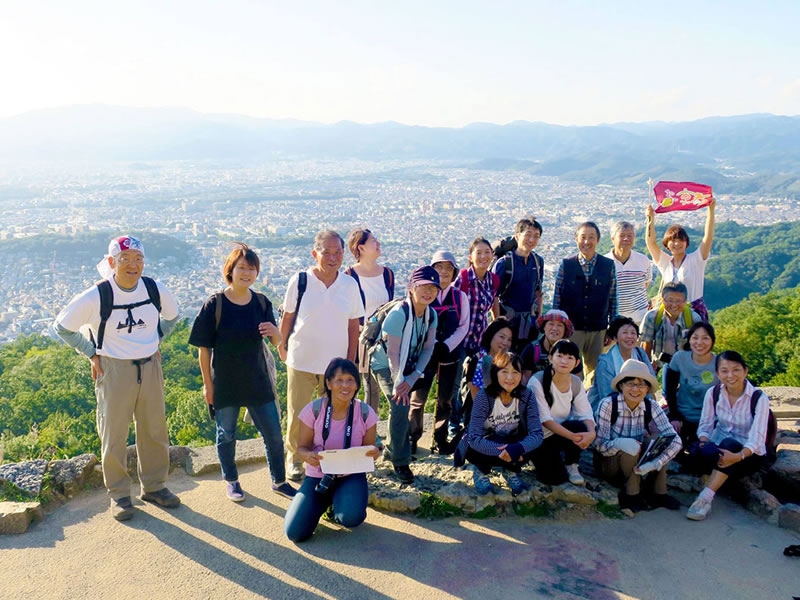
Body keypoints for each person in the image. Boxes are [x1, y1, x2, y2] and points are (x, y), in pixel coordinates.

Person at [53, 235, 181, 520]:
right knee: (114, 433)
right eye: (125, 259)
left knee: (154, 429)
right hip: (113, 367)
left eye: (138, 259)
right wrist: (91, 353)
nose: (133, 265)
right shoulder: (98, 295)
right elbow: (62, 326)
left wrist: (155, 337)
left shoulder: (153, 289)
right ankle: (120, 495)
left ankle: (155, 486)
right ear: (112, 263)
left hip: (149, 365)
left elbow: (173, 316)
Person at [189, 243, 296, 502]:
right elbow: (204, 349)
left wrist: (277, 333)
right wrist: (207, 385)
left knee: (272, 433)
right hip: (225, 381)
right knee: (226, 434)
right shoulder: (215, 304)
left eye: (251, 269)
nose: (246, 273)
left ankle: (279, 481)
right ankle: (232, 481)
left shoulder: (260, 302)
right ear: (230, 270)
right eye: (241, 268)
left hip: (258, 379)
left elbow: (275, 341)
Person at [279, 231, 364, 481]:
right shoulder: (301, 281)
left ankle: (326, 458)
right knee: (298, 413)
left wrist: (350, 361)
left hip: (335, 366)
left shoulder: (348, 284)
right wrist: (282, 346)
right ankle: (294, 459)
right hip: (302, 359)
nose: (333, 257)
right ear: (315, 253)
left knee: (331, 414)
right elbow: (288, 316)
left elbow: (353, 325)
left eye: (338, 252)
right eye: (326, 252)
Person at [284, 358, 381, 542]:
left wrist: (375, 452)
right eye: (339, 380)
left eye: (350, 380)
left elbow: (371, 449)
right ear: (328, 383)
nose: (345, 386)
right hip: (318, 476)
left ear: (357, 384)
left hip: (351, 475)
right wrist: (307, 456)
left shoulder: (366, 413)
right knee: (294, 532)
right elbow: (301, 448)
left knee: (350, 518)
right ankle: (325, 502)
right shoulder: (313, 410)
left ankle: (340, 502)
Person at [371, 266, 439, 483]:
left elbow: (428, 348)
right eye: (423, 287)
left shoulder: (431, 314)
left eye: (433, 288)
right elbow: (392, 353)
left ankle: (393, 448)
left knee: (399, 404)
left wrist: (411, 377)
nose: (428, 292)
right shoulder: (399, 314)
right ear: (411, 288)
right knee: (399, 403)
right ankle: (400, 461)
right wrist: (401, 381)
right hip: (383, 364)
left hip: (408, 366)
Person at [686, 351, 770, 521]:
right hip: (720, 447)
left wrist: (737, 456)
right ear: (717, 374)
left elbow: (757, 438)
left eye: (736, 370)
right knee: (698, 450)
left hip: (747, 455)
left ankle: (705, 498)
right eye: (724, 371)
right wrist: (704, 443)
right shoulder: (713, 393)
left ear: (745, 371)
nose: (730, 375)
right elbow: (706, 425)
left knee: (730, 444)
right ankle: (718, 475)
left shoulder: (758, 397)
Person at [595, 359, 682, 512]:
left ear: (647, 388)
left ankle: (659, 493)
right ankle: (632, 494)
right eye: (630, 383)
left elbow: (675, 440)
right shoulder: (608, 404)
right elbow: (599, 444)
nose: (635, 389)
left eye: (641, 384)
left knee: (658, 441)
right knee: (631, 448)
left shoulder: (652, 406)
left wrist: (657, 462)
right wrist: (618, 444)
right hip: (610, 463)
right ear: (621, 385)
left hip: (639, 460)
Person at [456, 351, 543, 496]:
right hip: (485, 444)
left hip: (512, 442)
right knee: (477, 444)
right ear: (495, 373)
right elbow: (474, 437)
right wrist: (506, 451)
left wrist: (517, 449)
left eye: (515, 372)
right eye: (504, 371)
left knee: (533, 444)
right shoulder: (484, 396)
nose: (510, 377)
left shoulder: (527, 395)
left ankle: (510, 471)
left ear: (522, 375)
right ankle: (481, 472)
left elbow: (537, 434)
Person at [409, 251, 469, 455]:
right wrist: (432, 344)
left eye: (448, 268)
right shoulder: (423, 294)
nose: (443, 272)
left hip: (450, 354)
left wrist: (446, 345)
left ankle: (440, 438)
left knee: (446, 399)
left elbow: (463, 326)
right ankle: (412, 437)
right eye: (439, 267)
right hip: (425, 355)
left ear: (454, 273)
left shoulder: (460, 297)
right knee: (418, 398)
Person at [552, 222, 617, 384]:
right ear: (576, 239)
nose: (587, 242)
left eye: (591, 238)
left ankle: (590, 405)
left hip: (598, 329)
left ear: (598, 240)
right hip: (571, 328)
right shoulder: (566, 265)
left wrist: (612, 328)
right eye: (583, 237)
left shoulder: (608, 265)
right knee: (567, 369)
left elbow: (613, 299)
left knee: (596, 373)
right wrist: (556, 327)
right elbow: (557, 299)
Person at [450, 236, 501, 437]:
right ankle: (453, 427)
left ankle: (472, 422)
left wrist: (499, 327)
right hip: (460, 339)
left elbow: (494, 304)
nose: (483, 256)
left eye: (487, 252)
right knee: (456, 383)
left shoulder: (493, 280)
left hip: (480, 339)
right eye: (478, 253)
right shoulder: (463, 278)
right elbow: (451, 305)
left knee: (477, 382)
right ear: (470, 257)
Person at [528, 340, 595, 486]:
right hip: (538, 437)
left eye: (570, 358)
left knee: (580, 426)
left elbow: (585, 413)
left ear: (577, 362)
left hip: (560, 433)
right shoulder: (537, 381)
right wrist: (573, 437)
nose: (564, 361)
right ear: (551, 358)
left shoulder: (576, 382)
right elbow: (545, 420)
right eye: (560, 356)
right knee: (555, 479)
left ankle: (572, 464)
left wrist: (591, 433)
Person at [344, 228, 395, 417]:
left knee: (378, 387)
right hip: (359, 338)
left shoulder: (387, 274)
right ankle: (357, 426)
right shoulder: (349, 276)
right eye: (373, 241)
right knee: (361, 385)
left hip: (383, 338)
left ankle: (370, 428)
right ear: (361, 248)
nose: (378, 243)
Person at [645, 198, 716, 321]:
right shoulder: (665, 262)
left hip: (693, 313)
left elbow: (708, 237)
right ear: (667, 244)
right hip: (669, 313)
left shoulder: (696, 260)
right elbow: (650, 243)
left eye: (680, 240)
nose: (676, 244)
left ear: (686, 243)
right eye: (672, 240)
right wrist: (650, 219)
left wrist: (711, 211)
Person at [663, 322, 719, 449]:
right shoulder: (680, 358)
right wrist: (674, 416)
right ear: (689, 340)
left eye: (705, 338)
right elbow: (670, 390)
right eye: (695, 337)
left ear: (712, 341)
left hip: (710, 418)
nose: (699, 342)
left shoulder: (719, 362)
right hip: (683, 415)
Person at [491, 218, 544, 352]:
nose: (531, 240)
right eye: (528, 235)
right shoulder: (505, 263)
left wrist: (539, 318)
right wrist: (498, 323)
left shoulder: (537, 262)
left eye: (536, 236)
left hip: (530, 322)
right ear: (517, 236)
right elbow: (494, 296)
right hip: (509, 321)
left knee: (526, 360)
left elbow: (538, 290)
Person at [459, 317, 514, 431]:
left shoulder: (510, 363)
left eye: (509, 339)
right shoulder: (476, 360)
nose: (505, 343)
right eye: (502, 337)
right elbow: (477, 398)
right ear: (491, 335)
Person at [588, 316, 654, 410]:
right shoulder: (605, 362)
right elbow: (606, 395)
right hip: (608, 409)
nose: (629, 336)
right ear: (615, 338)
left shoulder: (640, 354)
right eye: (625, 333)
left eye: (633, 333)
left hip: (639, 405)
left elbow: (651, 382)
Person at [639, 282, 701, 372]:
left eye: (678, 301)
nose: (674, 305)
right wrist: (648, 366)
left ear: (685, 301)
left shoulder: (693, 319)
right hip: (658, 363)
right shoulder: (652, 317)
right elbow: (646, 344)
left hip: (684, 365)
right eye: (670, 300)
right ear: (663, 300)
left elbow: (698, 347)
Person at [605, 221, 653, 326]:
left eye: (630, 236)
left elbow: (645, 284)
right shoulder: (604, 263)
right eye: (622, 236)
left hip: (640, 318)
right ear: (613, 238)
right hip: (613, 319)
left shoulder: (643, 260)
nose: (626, 239)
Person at [520, 309, 580, 384]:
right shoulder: (532, 349)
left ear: (565, 330)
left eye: (559, 325)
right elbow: (524, 382)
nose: (555, 328)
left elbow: (577, 383)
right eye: (551, 324)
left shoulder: (572, 352)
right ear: (544, 327)